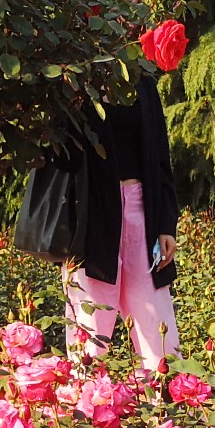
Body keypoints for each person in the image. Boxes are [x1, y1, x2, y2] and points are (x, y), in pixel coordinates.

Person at [65, 72, 180, 371]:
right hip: (93, 218)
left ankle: (166, 407)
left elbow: (160, 155)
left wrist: (167, 223)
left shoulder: (141, 80)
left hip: (143, 211)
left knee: (157, 325)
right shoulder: (74, 78)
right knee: (91, 331)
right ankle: (83, 409)